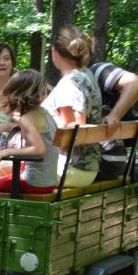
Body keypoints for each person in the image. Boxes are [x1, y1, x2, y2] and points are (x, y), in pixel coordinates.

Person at [0, 69, 59, 197]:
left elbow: (39, 150)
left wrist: (7, 152)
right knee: (3, 181)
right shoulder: (45, 113)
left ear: (17, 93)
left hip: (35, 182)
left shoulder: (27, 117)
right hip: (50, 181)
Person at [42, 25, 102, 187]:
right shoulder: (86, 75)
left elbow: (74, 128)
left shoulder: (69, 85)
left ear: (54, 52)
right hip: (86, 167)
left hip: (70, 167)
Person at [89, 61, 138, 179]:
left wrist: (114, 115)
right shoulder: (75, 81)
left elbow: (136, 83)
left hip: (102, 162)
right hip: (114, 159)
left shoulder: (97, 70)